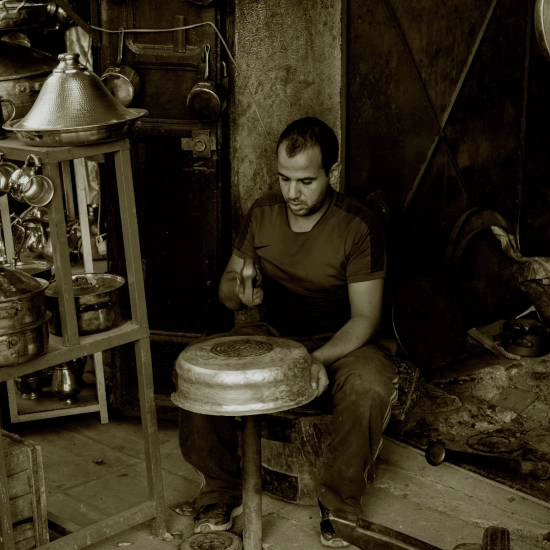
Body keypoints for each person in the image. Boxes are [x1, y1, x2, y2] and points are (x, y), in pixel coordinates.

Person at [178, 116, 398, 547]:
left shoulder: (358, 225)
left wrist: (315, 360)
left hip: (341, 341)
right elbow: (227, 289)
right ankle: (219, 491)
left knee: (370, 386)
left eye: (306, 181)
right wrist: (241, 293)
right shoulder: (263, 213)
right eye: (284, 179)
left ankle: (340, 506)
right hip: (273, 333)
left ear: (332, 173)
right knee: (197, 367)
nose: (292, 193)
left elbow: (364, 318)